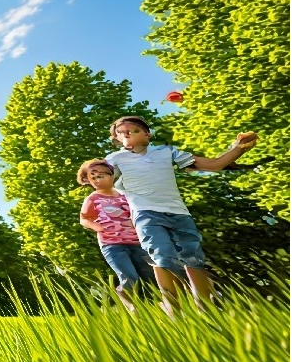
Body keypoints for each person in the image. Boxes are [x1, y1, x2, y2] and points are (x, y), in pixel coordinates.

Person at [105, 116, 259, 313]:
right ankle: (173, 308)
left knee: (193, 258)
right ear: (117, 140)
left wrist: (239, 148)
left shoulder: (167, 152)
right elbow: (100, 178)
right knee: (161, 255)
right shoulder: (114, 159)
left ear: (147, 134)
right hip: (146, 213)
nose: (125, 133)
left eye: (132, 130)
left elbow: (213, 165)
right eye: (120, 133)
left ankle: (206, 307)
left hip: (178, 213)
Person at [77, 159, 157, 311]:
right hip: (112, 245)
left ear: (112, 175)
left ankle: (151, 307)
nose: (97, 180)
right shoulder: (93, 198)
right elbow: (84, 218)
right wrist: (98, 227)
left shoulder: (124, 196)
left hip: (136, 242)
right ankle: (130, 304)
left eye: (101, 175)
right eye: (93, 178)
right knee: (129, 276)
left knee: (149, 276)